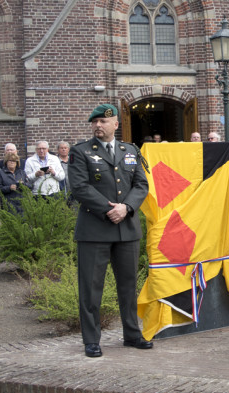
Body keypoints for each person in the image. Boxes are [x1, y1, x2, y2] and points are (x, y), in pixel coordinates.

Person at [68, 103, 152, 358]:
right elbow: (80, 187)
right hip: (94, 230)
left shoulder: (130, 151)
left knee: (128, 286)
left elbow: (141, 184)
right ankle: (91, 340)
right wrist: (109, 209)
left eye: (103, 122)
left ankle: (131, 334)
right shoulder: (80, 152)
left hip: (126, 229)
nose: (97, 126)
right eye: (94, 122)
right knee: (91, 288)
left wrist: (126, 208)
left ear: (116, 124)